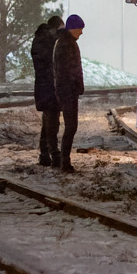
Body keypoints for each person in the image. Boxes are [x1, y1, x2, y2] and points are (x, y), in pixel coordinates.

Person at [51, 14, 86, 173]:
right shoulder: (66, 44)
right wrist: (75, 85)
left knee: (71, 126)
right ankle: (65, 162)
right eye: (80, 29)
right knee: (71, 126)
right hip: (68, 90)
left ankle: (64, 160)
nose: (81, 32)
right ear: (73, 28)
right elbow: (69, 70)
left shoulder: (66, 42)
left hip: (68, 90)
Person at [31, 15, 63, 166]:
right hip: (49, 87)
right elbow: (51, 64)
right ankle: (54, 154)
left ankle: (44, 154)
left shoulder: (41, 40)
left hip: (45, 86)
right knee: (52, 122)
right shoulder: (48, 41)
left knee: (48, 120)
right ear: (55, 28)